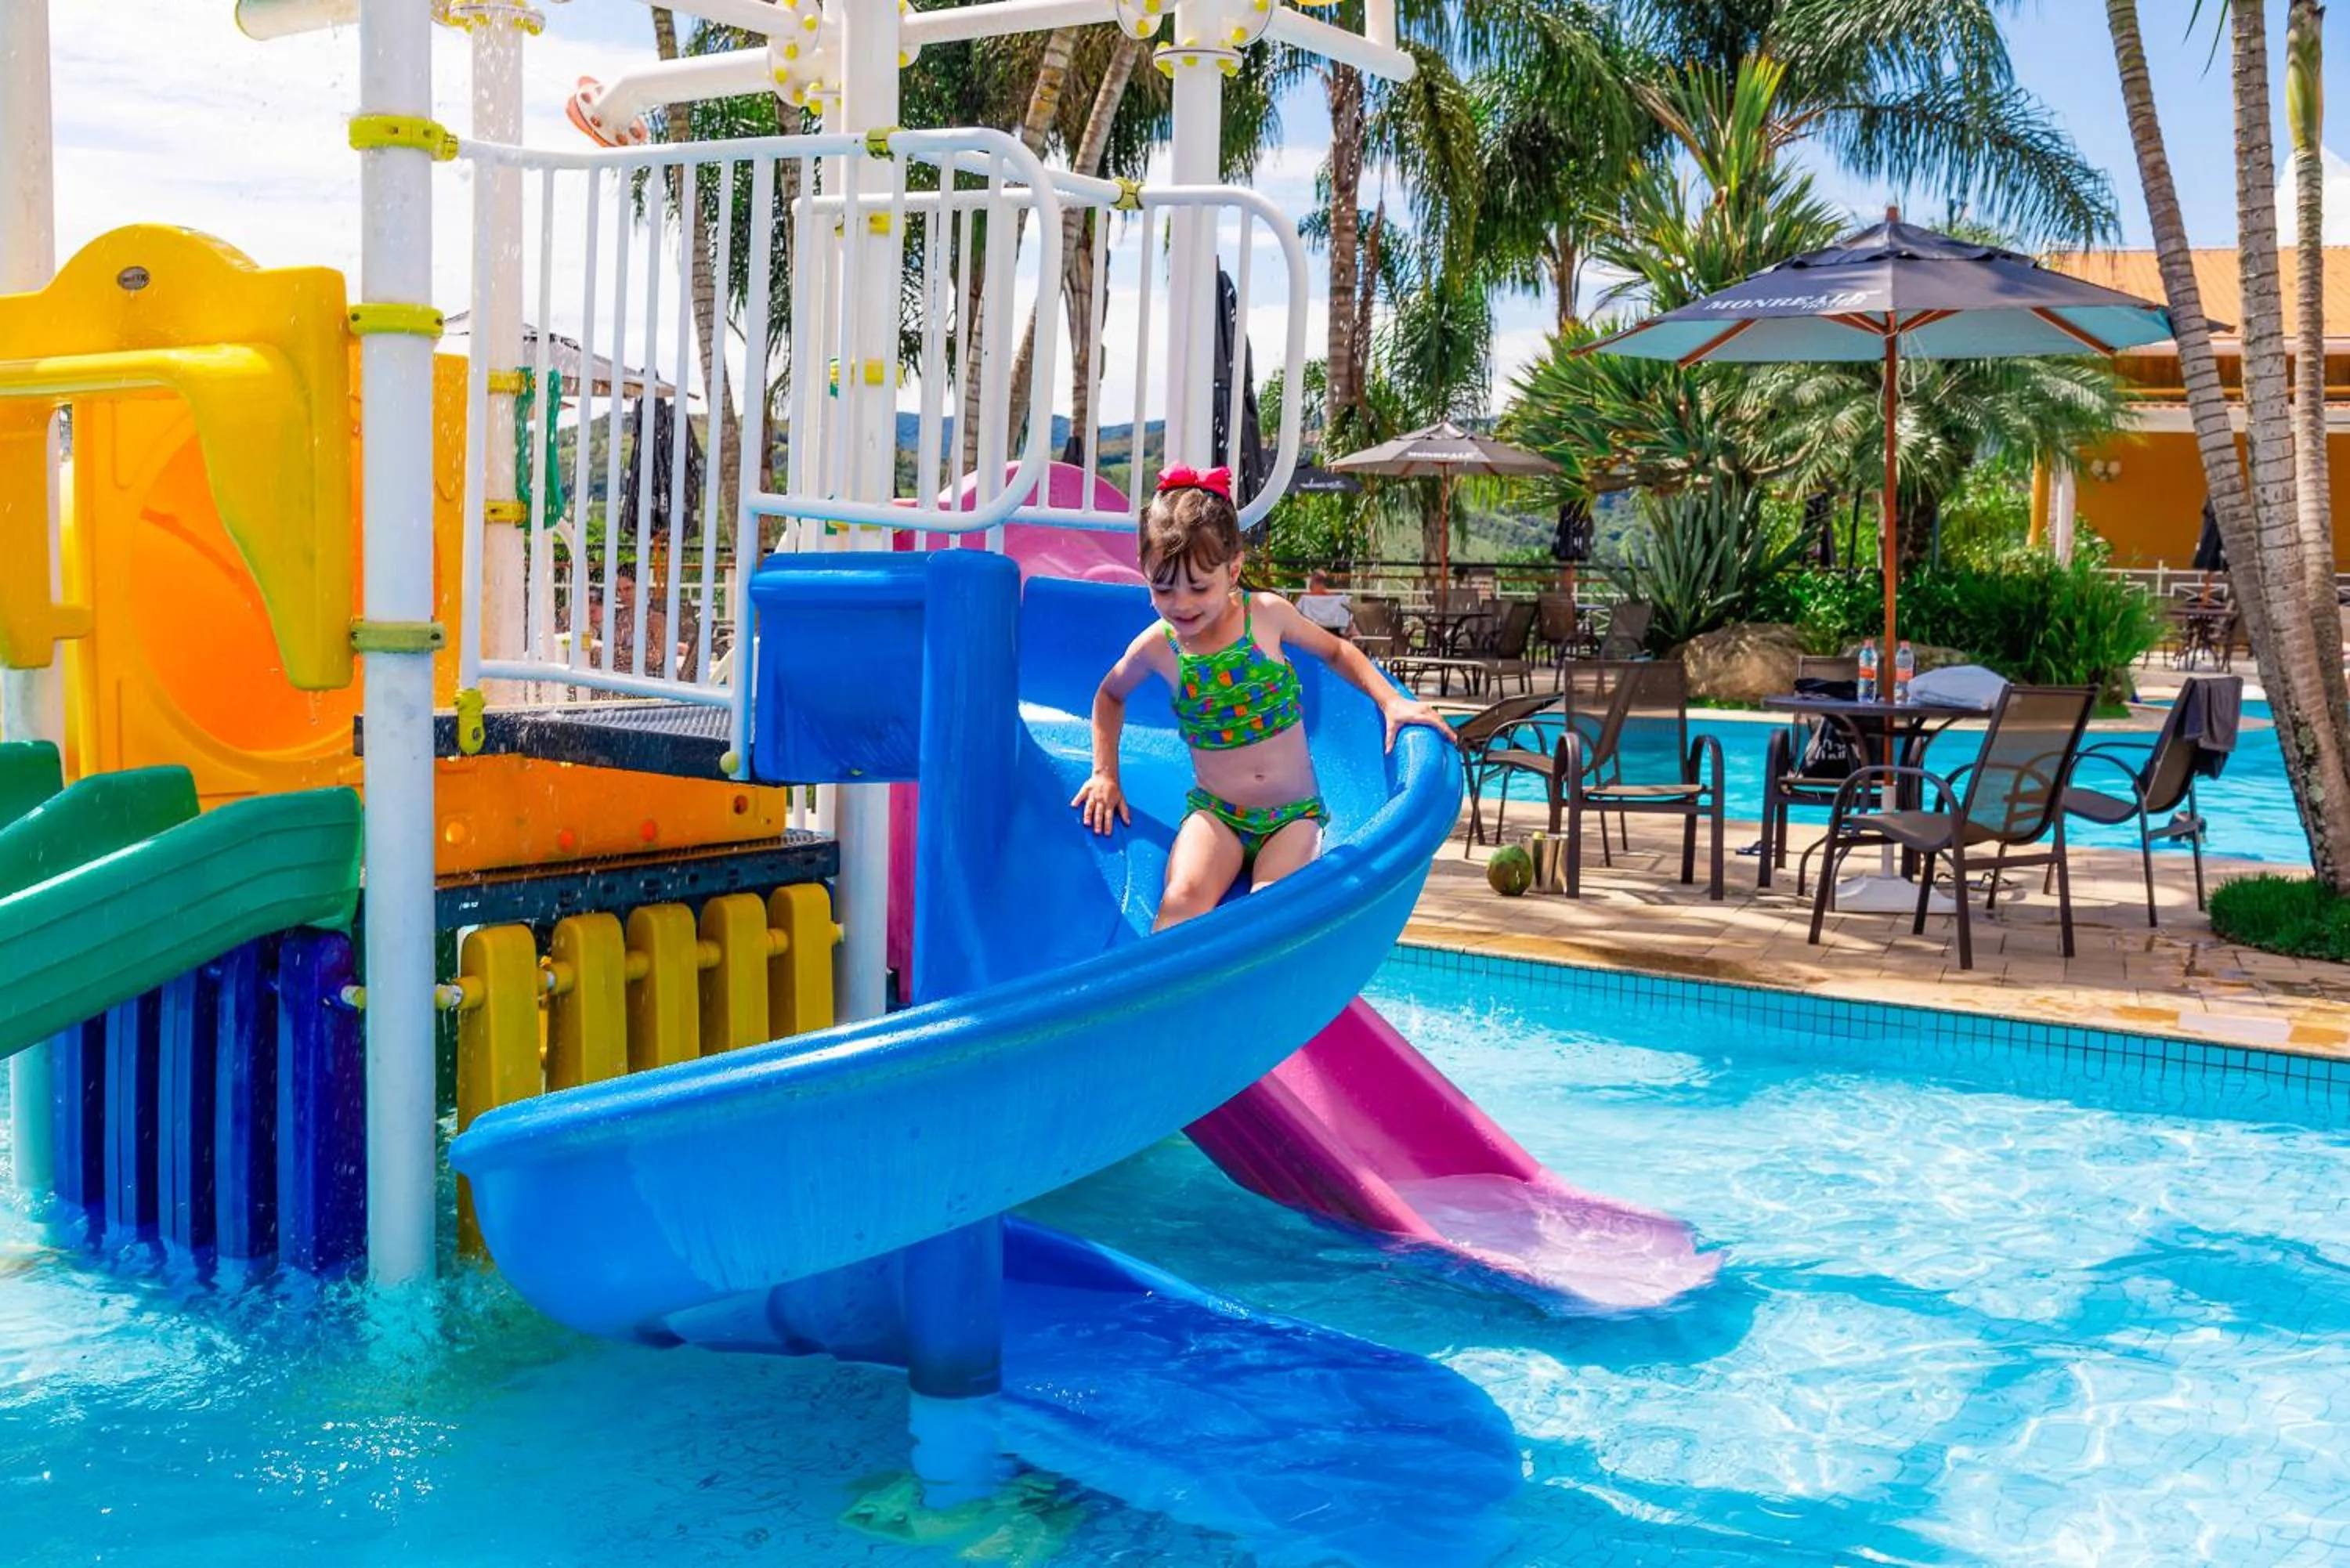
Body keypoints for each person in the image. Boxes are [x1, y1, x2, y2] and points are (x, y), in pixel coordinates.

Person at [1072, 464, 1453, 930]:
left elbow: (1336, 651)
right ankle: (1171, 1000)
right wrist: (1104, 773)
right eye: (1162, 587)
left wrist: (1390, 701)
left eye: (1198, 586)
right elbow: (1110, 695)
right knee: (1182, 900)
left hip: (1292, 817)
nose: (1181, 603)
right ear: (1144, 574)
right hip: (1217, 813)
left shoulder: (1266, 617)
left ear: (1233, 569)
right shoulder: (1158, 646)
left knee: (1269, 908)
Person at [1296, 569, 1354, 637]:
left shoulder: (1305, 598)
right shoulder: (1336, 598)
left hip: (1311, 630)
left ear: (1312, 581)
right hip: (1333, 629)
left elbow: (1296, 611)